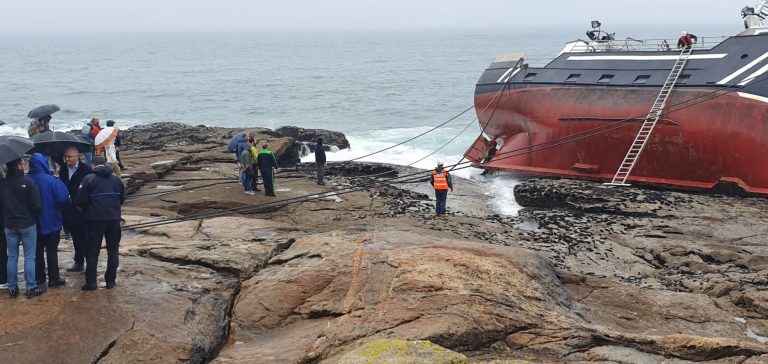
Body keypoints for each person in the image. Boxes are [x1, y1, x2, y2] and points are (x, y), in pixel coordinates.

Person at [75, 157, 124, 291]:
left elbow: (80, 200)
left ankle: (91, 282)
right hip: (114, 220)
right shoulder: (116, 180)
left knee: (92, 252)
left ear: (93, 166)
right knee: (113, 250)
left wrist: (86, 211)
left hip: (94, 220)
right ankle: (110, 281)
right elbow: (121, 199)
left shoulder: (88, 179)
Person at [0, 159, 45, 298]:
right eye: (22, 163)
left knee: (12, 256)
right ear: (18, 166)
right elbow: (37, 205)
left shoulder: (2, 184)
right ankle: (31, 287)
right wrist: (32, 217)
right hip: (27, 224)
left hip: (9, 225)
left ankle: (12, 287)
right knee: (30, 256)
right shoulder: (28, 182)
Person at [28, 153, 70, 288]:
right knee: (52, 251)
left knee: (36, 252)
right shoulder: (53, 180)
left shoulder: (26, 180)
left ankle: (39, 277)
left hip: (33, 223)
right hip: (52, 221)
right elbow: (63, 200)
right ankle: (54, 278)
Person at [59, 146, 93, 272]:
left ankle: (90, 262)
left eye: (69, 157)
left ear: (77, 156)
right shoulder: (63, 169)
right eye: (65, 157)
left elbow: (90, 189)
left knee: (86, 236)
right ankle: (79, 261)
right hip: (68, 208)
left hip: (82, 208)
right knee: (75, 236)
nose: (67, 159)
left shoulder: (86, 170)